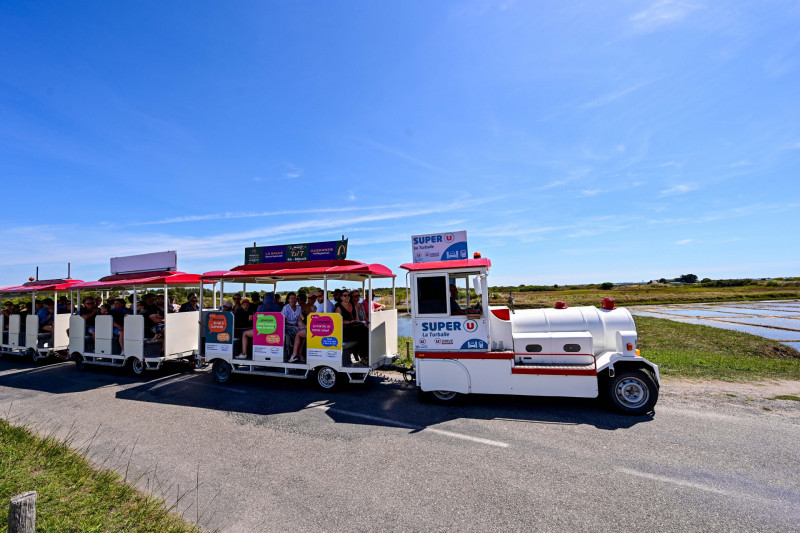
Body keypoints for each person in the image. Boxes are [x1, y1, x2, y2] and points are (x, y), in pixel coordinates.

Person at [335, 291, 368, 363]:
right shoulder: (339, 307)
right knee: (363, 332)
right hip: (345, 329)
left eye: (348, 295)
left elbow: (356, 319)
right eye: (345, 295)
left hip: (353, 327)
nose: (347, 297)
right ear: (341, 297)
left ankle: (365, 355)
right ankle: (363, 356)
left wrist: (360, 323)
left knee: (365, 330)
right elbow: (338, 321)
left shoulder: (352, 305)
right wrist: (350, 322)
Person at [282, 292, 306, 363]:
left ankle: (299, 353)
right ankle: (298, 354)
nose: (293, 299)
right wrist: (292, 325)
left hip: (296, 326)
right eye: (291, 298)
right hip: (288, 326)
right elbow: (283, 320)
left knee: (304, 332)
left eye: (295, 298)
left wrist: (302, 323)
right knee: (300, 333)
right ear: (288, 300)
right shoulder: (286, 308)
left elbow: (299, 319)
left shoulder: (299, 307)